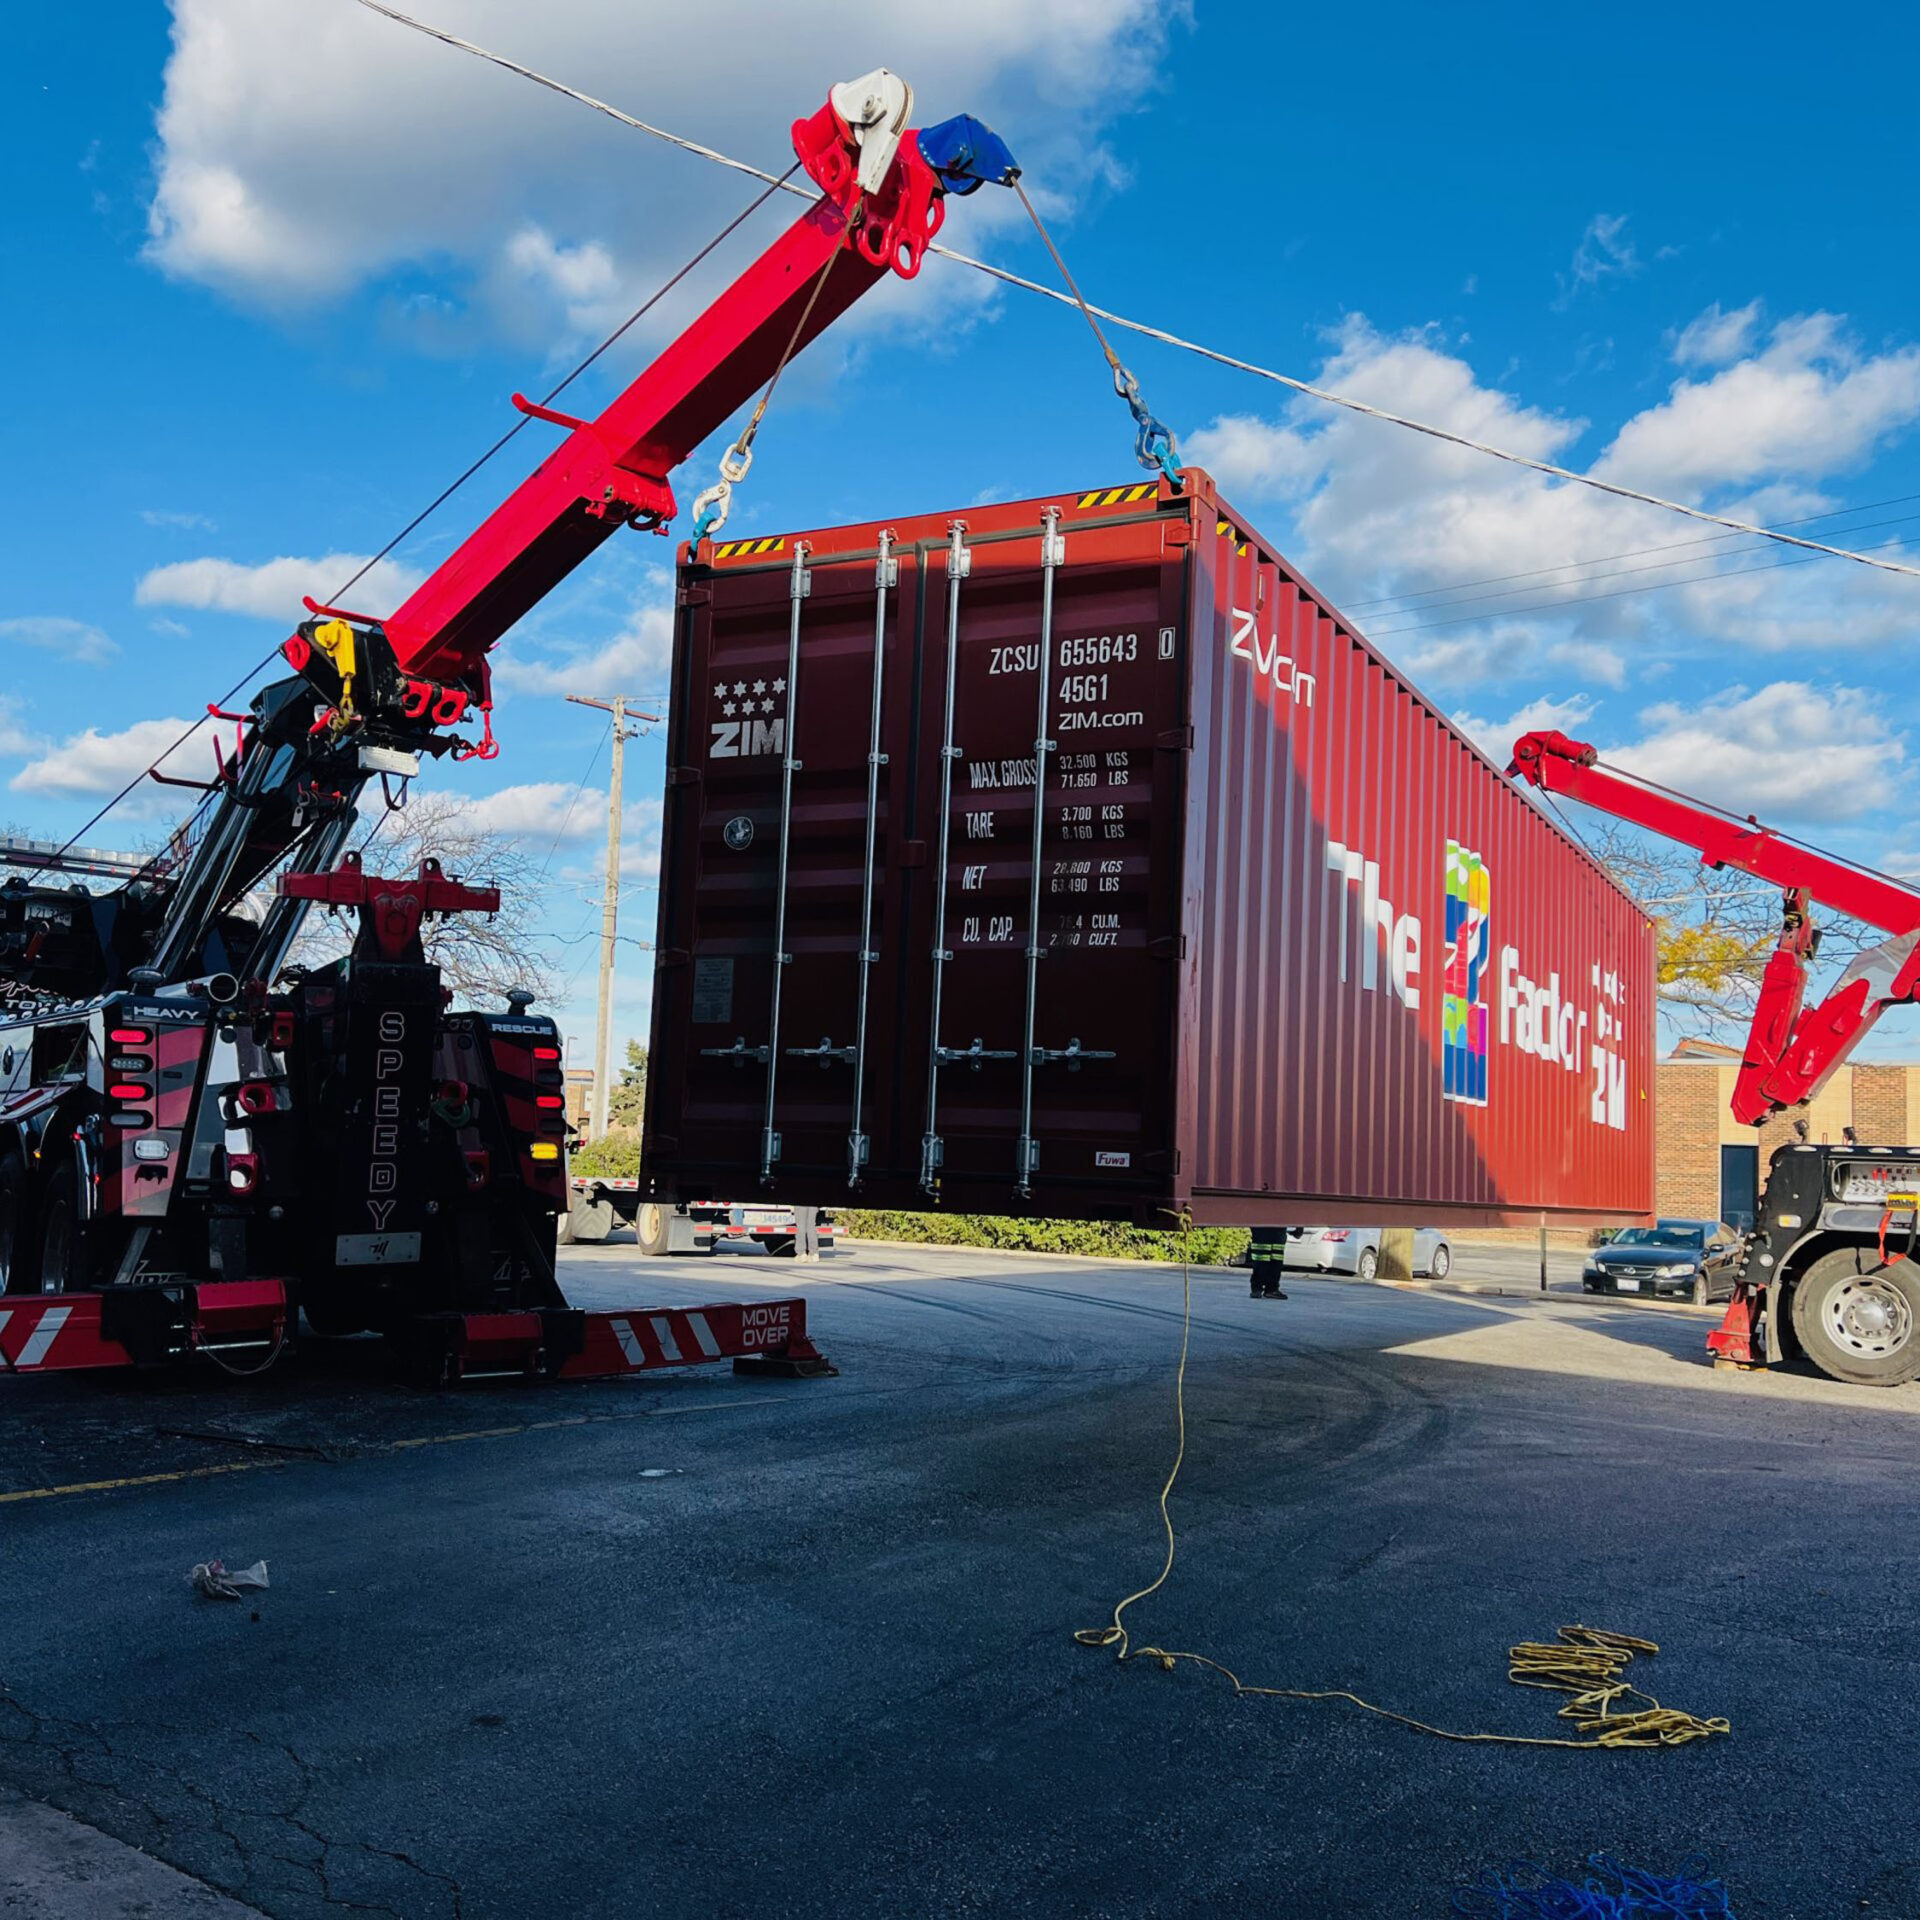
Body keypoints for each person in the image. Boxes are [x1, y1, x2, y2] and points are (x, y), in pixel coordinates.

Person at [1247, 1225, 1289, 1299]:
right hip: (1265, 1226)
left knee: (1275, 1258)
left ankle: (1266, 1289)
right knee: (1263, 1258)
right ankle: (1263, 1289)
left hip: (1274, 1226)